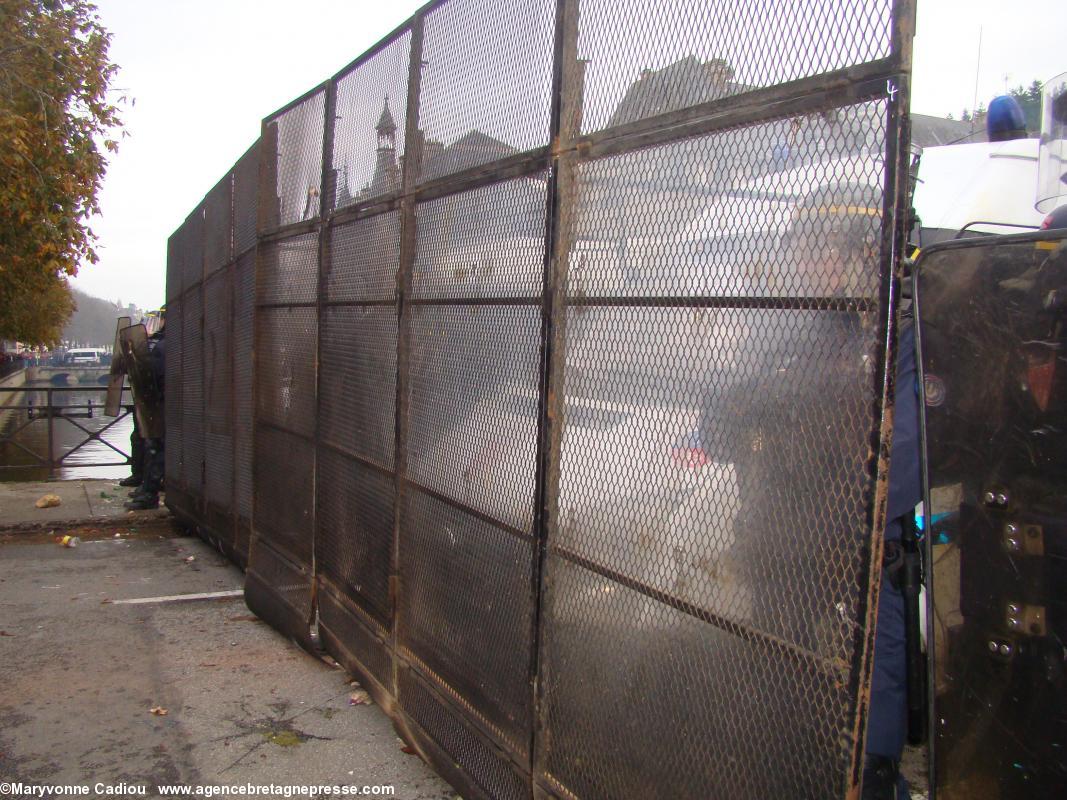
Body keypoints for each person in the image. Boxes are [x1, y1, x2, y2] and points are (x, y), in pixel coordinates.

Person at [695, 182, 913, 796]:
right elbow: (716, 428)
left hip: (858, 570)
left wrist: (830, 509)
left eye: (816, 247)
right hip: (779, 559)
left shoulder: (895, 335)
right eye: (798, 247)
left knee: (866, 744)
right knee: (774, 716)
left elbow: (903, 470)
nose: (801, 261)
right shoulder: (783, 332)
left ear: (862, 252)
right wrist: (740, 402)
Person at [125, 309, 166, 510]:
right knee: (153, 446)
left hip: (160, 404)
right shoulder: (165, 343)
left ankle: (149, 492)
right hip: (161, 403)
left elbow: (154, 377)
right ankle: (146, 486)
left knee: (156, 448)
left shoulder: (162, 345)